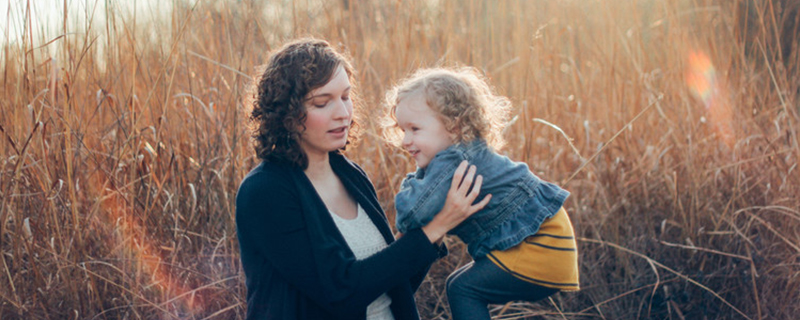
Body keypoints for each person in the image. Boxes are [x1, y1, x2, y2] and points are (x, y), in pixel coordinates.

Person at [235, 38, 491, 320]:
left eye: (345, 97)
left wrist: (438, 223)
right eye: (322, 103)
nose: (343, 113)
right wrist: (435, 227)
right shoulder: (265, 191)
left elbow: (392, 287)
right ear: (286, 112)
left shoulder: (350, 174)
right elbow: (340, 292)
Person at [383, 67, 580, 320]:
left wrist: (414, 180)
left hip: (539, 247)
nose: (405, 141)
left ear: (453, 126)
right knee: (458, 280)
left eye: (414, 129)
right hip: (551, 243)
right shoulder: (466, 152)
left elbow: (411, 214)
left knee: (463, 289)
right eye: (403, 131)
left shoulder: (452, 161)